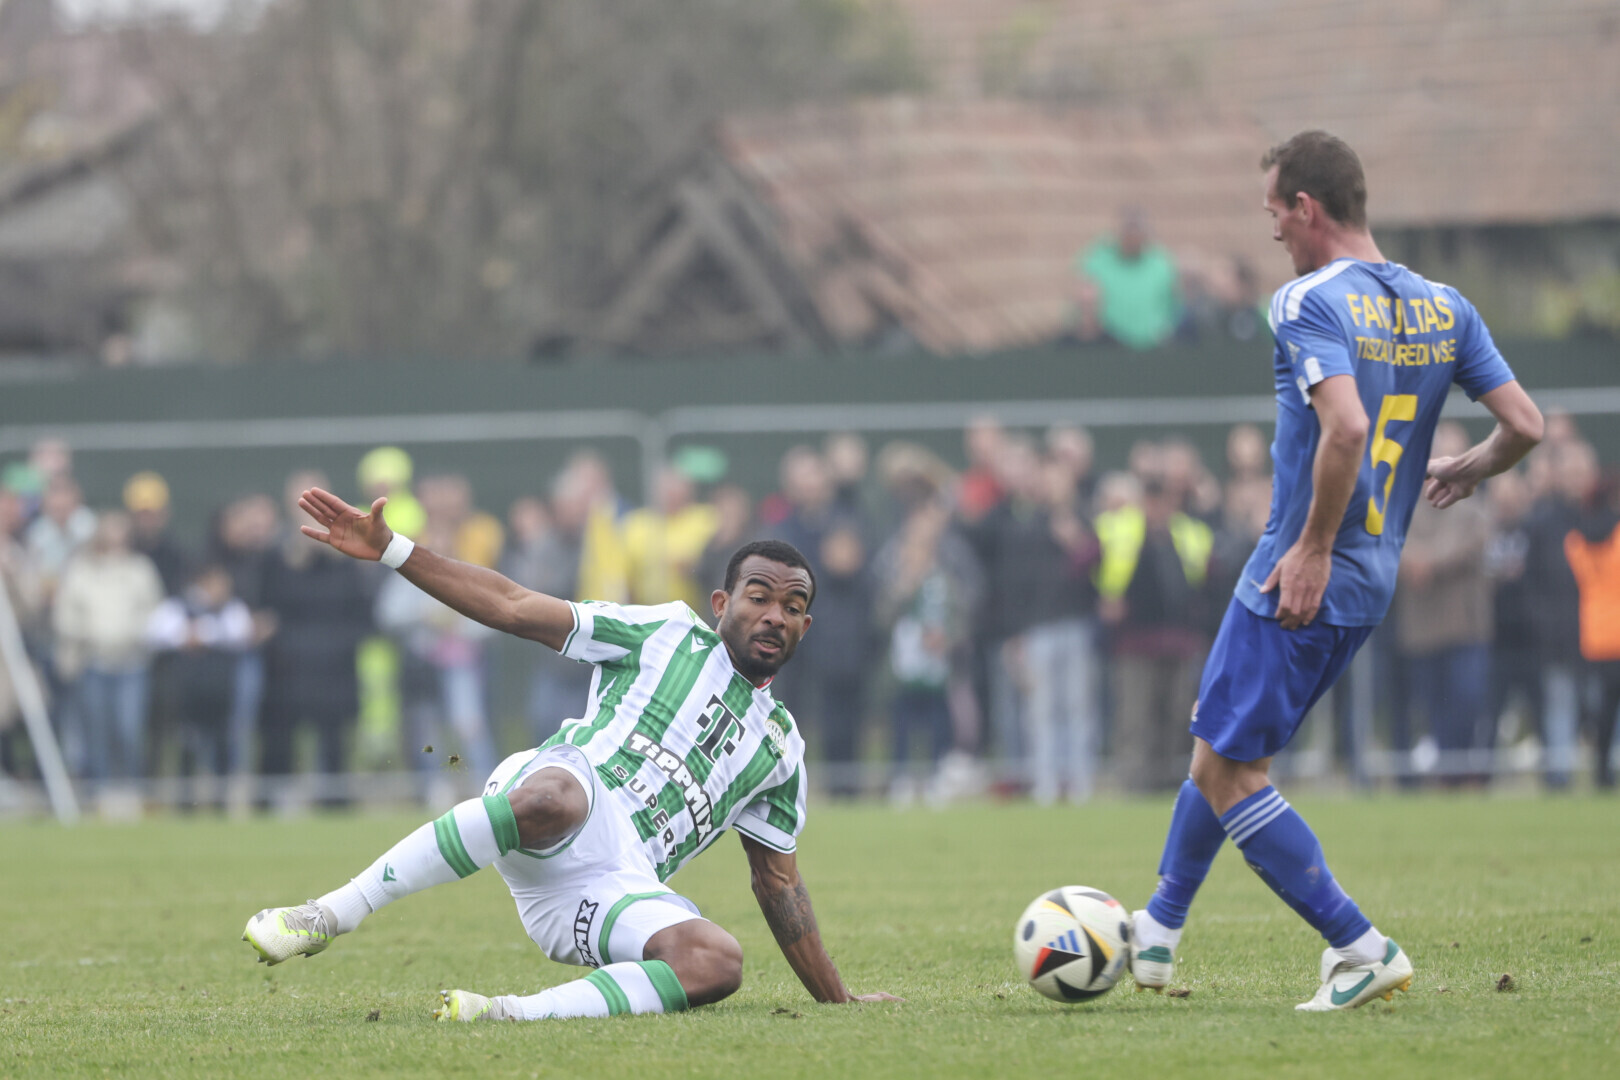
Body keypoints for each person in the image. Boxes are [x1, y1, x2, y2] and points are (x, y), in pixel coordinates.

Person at [1127, 131, 1543, 1011]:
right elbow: (1526, 426)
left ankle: (1359, 946)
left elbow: (1347, 428)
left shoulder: (1304, 300)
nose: (1272, 226)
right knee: (1217, 745)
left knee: (1235, 774)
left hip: (1300, 570)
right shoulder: (1444, 304)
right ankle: (1157, 933)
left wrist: (1310, 547)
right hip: (1373, 577)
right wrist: (1470, 469)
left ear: (1307, 208)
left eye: (1275, 208)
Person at [243, 488, 900, 1020]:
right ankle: (326, 914)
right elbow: (512, 605)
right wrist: (394, 550)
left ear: (805, 626)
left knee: (716, 961)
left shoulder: (782, 749)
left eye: (793, 606)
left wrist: (838, 1000)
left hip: (614, 883)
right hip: (569, 794)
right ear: (723, 602)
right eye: (760, 597)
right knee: (556, 798)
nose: (775, 616)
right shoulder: (665, 630)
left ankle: (503, 1014)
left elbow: (778, 883)